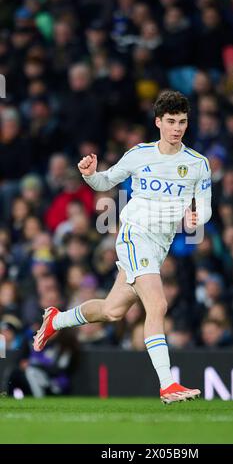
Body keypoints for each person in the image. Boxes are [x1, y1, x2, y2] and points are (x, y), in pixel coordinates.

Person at [33, 90, 212, 404]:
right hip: (133, 235)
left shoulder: (198, 164)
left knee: (112, 311)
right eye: (171, 121)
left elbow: (206, 207)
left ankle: (56, 320)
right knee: (157, 305)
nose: (177, 128)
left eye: (182, 121)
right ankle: (168, 384)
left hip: (159, 246)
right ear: (158, 122)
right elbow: (105, 182)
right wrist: (90, 175)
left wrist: (197, 217)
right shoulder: (139, 154)